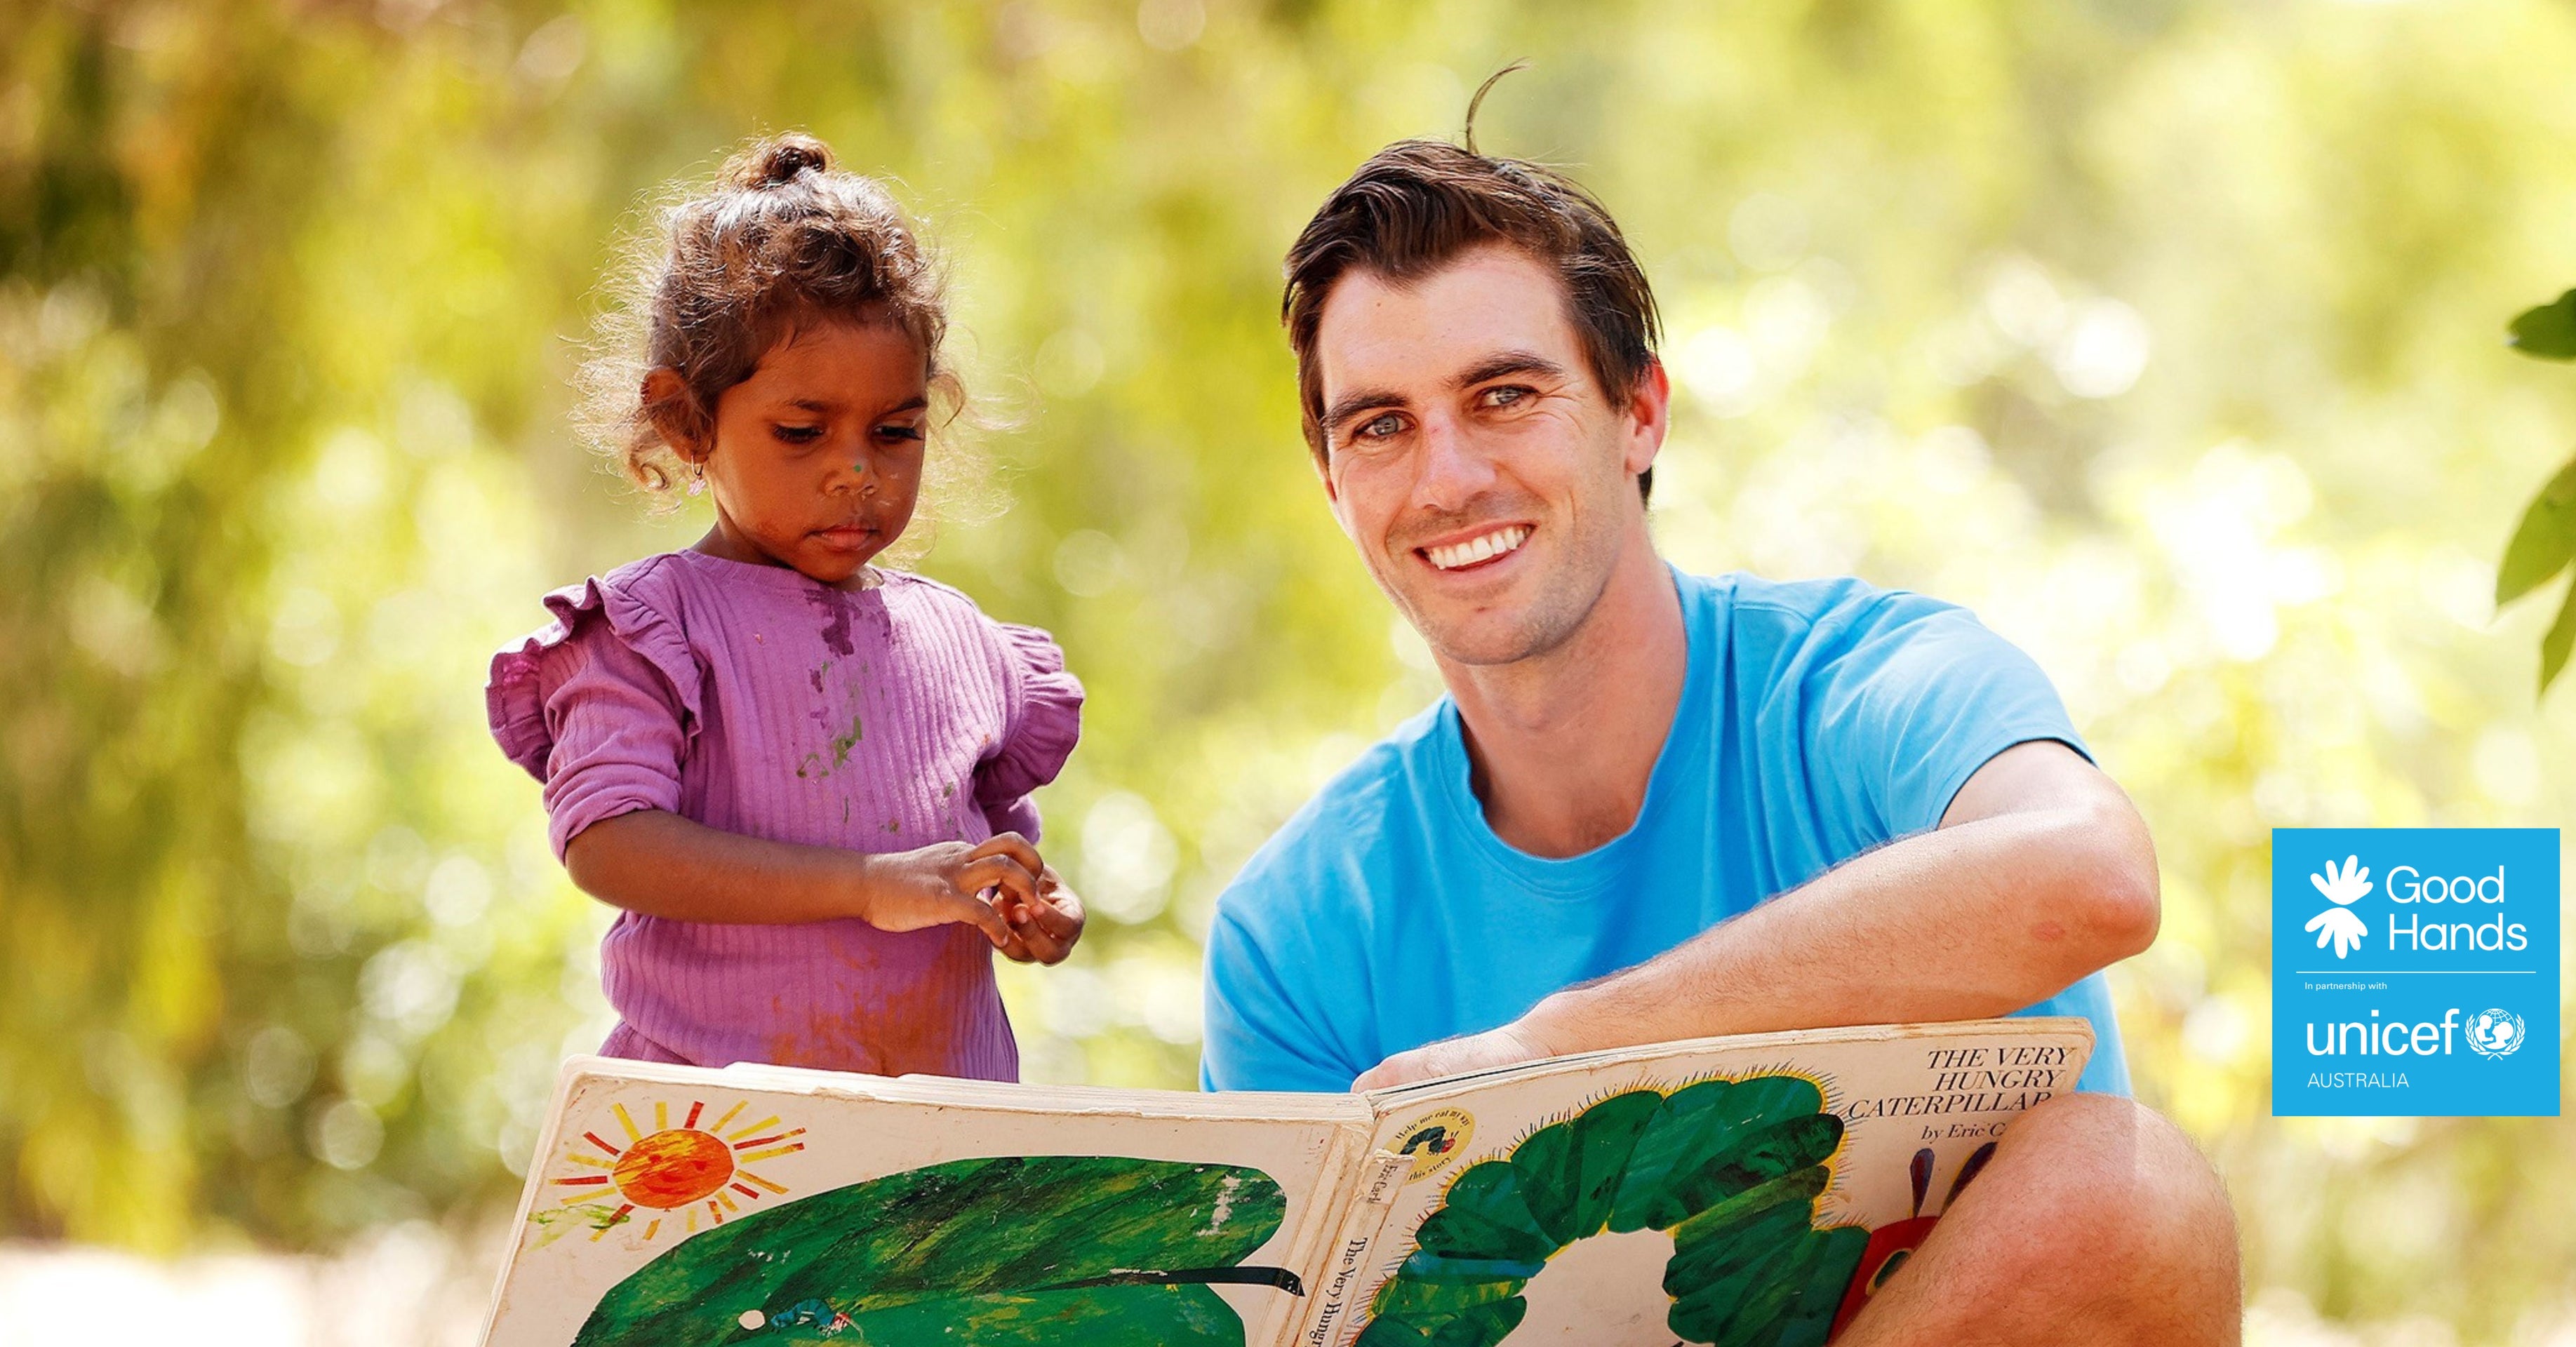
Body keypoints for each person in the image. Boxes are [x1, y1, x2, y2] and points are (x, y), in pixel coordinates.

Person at [1201, 133, 2242, 1343]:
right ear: (1332, 481)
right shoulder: (1297, 933)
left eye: (1505, 395)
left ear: (1638, 411)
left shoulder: (1864, 687)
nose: (1448, 478)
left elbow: (2091, 878)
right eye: (1380, 425)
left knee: (2128, 1191)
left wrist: (1552, 1057)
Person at [486, 134, 1086, 1080]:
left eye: (896, 433)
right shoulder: (654, 632)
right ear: (688, 421)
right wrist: (865, 887)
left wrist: (1028, 906)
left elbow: (988, 859)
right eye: (801, 433)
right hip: (726, 1144)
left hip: (935, 1153)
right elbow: (609, 844)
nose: (856, 472)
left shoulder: (965, 645)